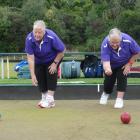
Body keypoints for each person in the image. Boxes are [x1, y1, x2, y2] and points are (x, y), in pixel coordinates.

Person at [25, 20, 65, 108]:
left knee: (50, 71)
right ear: (32, 31)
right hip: (39, 60)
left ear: (44, 31)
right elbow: (30, 58)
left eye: (40, 32)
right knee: (39, 75)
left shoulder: (52, 36)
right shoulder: (29, 39)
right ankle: (44, 98)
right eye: (35, 32)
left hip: (53, 58)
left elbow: (62, 51)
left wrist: (55, 64)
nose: (37, 35)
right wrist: (32, 75)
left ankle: (50, 98)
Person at [99, 28, 140, 108]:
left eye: (117, 42)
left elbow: (137, 52)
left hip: (124, 63)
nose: (114, 45)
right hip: (111, 63)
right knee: (108, 82)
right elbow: (105, 61)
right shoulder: (105, 44)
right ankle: (106, 93)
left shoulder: (128, 40)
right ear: (109, 39)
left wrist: (129, 63)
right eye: (112, 43)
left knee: (122, 75)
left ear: (121, 39)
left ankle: (119, 99)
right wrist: (108, 69)